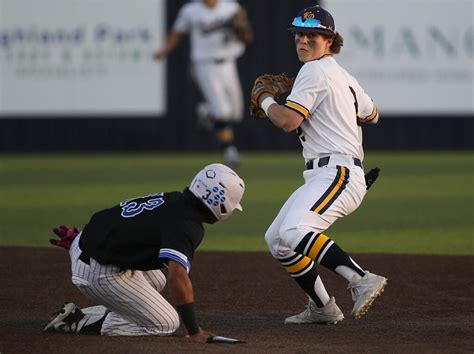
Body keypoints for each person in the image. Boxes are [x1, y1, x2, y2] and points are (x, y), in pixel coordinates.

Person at [256, 5, 387, 324]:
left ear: (330, 40)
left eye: (312, 35)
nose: (302, 41)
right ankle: (323, 307)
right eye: (299, 34)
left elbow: (288, 121)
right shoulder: (343, 76)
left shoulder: (314, 71)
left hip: (337, 172)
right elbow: (372, 114)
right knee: (277, 239)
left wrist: (265, 99)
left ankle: (360, 278)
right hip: (329, 173)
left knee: (294, 230)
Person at [44, 163, 245, 343]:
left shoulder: (175, 199)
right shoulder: (188, 226)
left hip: (87, 244)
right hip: (96, 269)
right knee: (166, 323)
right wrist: (194, 331)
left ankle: (93, 311)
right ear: (222, 205)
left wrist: (81, 242)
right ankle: (79, 321)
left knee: (157, 280)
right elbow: (178, 277)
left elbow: (127, 223)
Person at [153, 0, 253, 167]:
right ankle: (230, 151)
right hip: (204, 65)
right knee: (222, 111)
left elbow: (248, 38)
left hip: (228, 64)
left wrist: (242, 29)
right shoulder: (191, 10)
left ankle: (206, 112)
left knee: (235, 113)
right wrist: (164, 50)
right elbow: (177, 33)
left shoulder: (231, 8)